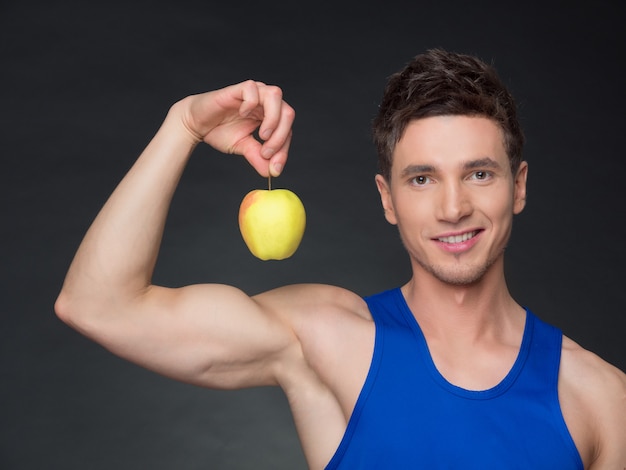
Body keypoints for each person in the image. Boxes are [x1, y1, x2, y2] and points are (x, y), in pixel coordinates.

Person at [55, 49, 626, 469]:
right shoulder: (326, 339)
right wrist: (184, 126)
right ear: (388, 200)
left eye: (479, 173)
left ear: (518, 187)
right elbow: (98, 305)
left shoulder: (601, 398)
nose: (454, 207)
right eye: (422, 179)